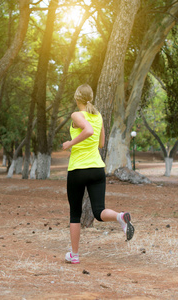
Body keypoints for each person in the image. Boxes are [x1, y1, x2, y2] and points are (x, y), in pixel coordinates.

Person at [62, 84, 134, 264]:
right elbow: (101, 143)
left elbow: (88, 131)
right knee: (98, 211)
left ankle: (75, 255)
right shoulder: (98, 116)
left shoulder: (76, 115)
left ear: (76, 98)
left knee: (75, 214)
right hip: (96, 169)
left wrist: (69, 144)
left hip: (78, 170)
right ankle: (120, 217)